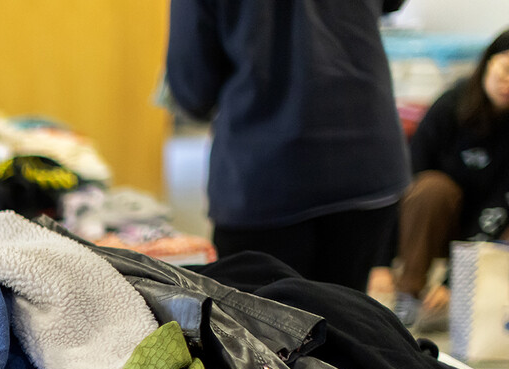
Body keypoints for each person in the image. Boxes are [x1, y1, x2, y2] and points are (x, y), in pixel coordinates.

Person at [165, 0, 410, 292]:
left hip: (265, 170)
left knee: (259, 328)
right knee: (344, 322)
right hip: (364, 158)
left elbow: (192, 85)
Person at [390, 27, 509, 325]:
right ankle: (409, 294)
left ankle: (492, 308)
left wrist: (455, 281)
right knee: (430, 187)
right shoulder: (449, 107)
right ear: (488, 62)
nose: (508, 83)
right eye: (506, 69)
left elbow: (499, 206)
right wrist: (380, 261)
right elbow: (404, 181)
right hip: (436, 223)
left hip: (494, 228)